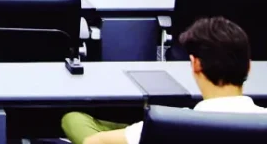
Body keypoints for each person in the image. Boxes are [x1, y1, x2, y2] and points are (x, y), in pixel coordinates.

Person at [61, 16, 267, 144]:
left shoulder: (167, 125)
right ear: (249, 66)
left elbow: (93, 142)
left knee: (73, 118)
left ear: (195, 64)